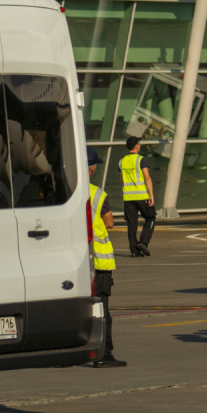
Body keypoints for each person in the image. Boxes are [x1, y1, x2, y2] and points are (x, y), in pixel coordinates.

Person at [88, 148, 126, 367]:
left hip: (72, 263)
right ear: (91, 170)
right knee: (101, 311)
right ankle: (104, 355)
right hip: (98, 263)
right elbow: (109, 223)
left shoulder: (63, 191)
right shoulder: (98, 194)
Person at [118, 136, 155, 258]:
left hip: (128, 198)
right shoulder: (141, 160)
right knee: (151, 218)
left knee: (131, 224)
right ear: (137, 146)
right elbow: (147, 178)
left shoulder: (121, 161)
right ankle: (143, 242)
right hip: (142, 196)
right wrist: (151, 195)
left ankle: (134, 251)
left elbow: (122, 181)